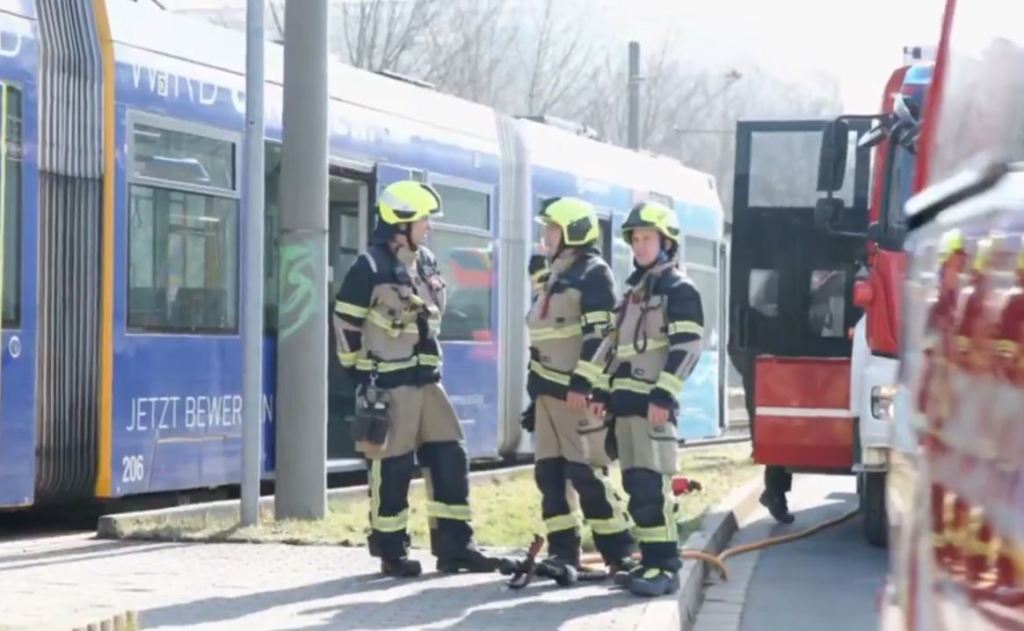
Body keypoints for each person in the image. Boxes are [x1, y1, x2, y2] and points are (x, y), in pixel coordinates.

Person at [332, 180, 500, 577]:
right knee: (391, 467)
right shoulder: (367, 267)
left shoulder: (425, 261)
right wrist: (356, 370)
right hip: (389, 387)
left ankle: (456, 547)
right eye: (423, 219)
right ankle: (392, 552)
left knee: (450, 457)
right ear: (401, 223)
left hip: (427, 382)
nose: (429, 227)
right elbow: (344, 322)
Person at [591, 200, 705, 597]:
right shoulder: (634, 293)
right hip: (626, 407)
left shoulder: (679, 290)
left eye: (647, 238)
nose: (638, 246)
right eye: (635, 239)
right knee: (637, 487)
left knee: (650, 489)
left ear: (666, 242)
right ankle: (651, 560)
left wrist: (663, 393)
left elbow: (688, 346)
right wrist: (602, 392)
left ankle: (665, 567)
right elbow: (618, 351)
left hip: (651, 409)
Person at [521, 196, 637, 584]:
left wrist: (583, 383)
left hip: (576, 397)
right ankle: (562, 551)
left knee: (586, 474)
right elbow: (543, 338)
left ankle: (619, 552)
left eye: (551, 230)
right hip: (547, 396)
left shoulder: (593, 273)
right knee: (549, 477)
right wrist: (533, 393)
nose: (545, 237)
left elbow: (601, 336)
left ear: (572, 233)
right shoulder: (553, 274)